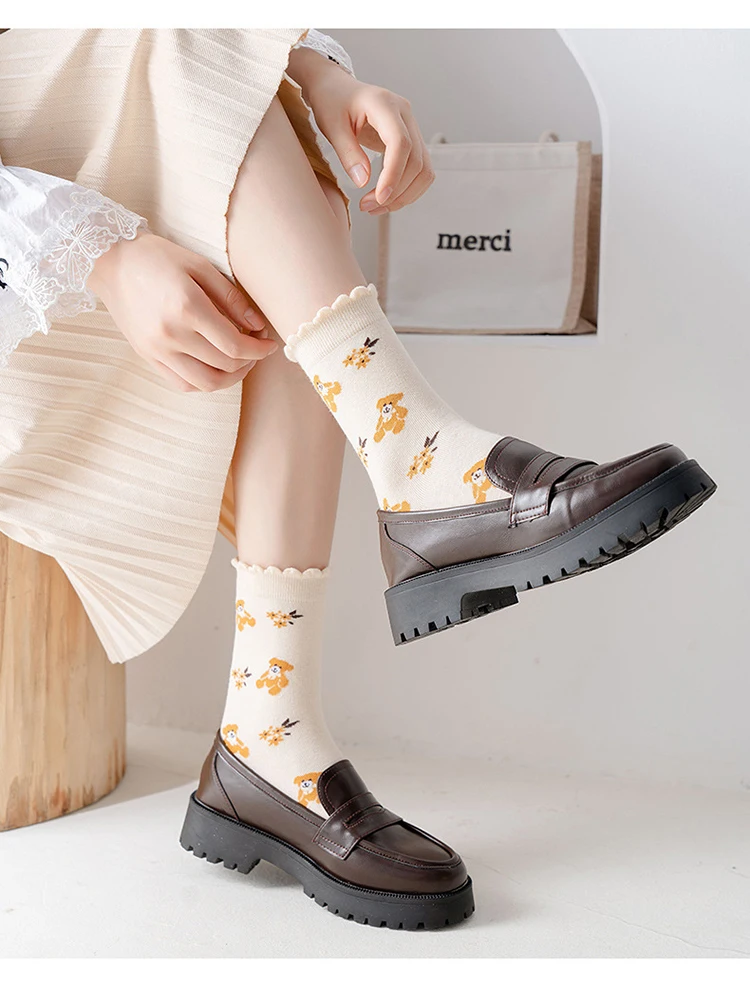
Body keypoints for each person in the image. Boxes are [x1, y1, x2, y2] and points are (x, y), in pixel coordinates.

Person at [0, 28, 715, 931]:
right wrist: (100, 257)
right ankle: (418, 475)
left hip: (101, 185)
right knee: (192, 55)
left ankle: (271, 723)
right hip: (35, 273)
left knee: (246, 98)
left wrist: (307, 70)